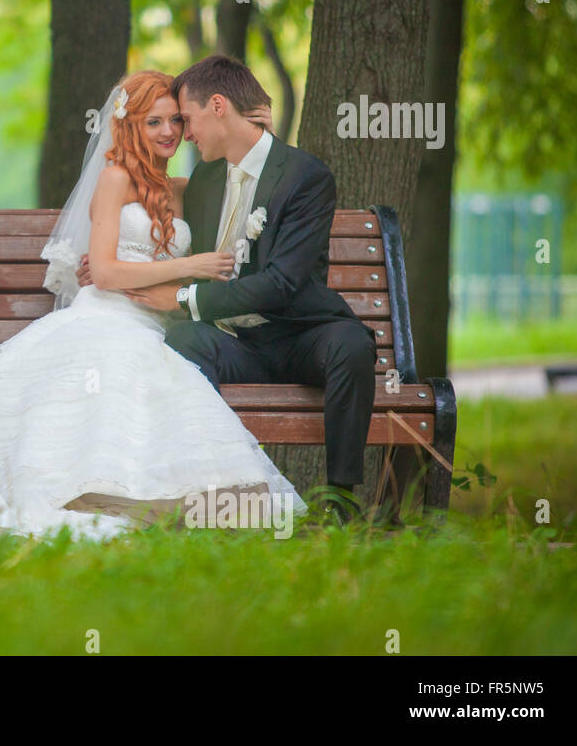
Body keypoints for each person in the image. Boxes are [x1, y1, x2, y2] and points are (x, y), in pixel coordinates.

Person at [0, 70, 307, 542]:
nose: (168, 132)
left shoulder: (188, 189)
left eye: (175, 121)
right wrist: (191, 264)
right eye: (153, 122)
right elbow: (105, 273)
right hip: (106, 316)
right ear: (129, 126)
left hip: (156, 327)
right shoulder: (114, 179)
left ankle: (145, 510)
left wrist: (257, 124)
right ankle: (86, 498)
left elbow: (249, 169)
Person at [84, 55, 377, 523]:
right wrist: (114, 260)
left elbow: (282, 282)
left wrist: (182, 298)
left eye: (187, 119)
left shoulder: (305, 177)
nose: (183, 133)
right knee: (181, 341)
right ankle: (202, 490)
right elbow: (148, 202)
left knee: (353, 345)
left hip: (299, 334)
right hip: (233, 341)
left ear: (217, 106)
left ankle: (341, 502)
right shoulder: (204, 178)